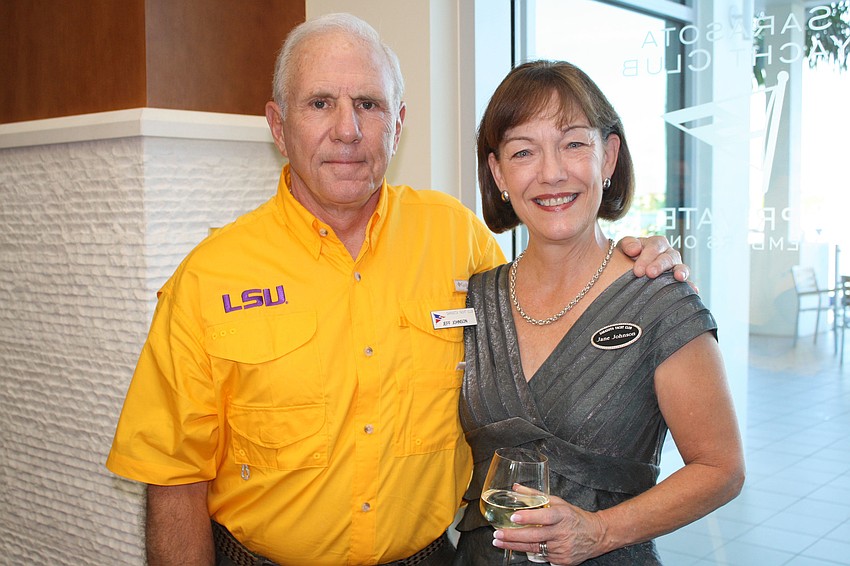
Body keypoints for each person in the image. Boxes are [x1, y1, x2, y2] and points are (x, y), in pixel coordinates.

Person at [106, 14, 690, 566]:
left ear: (399, 122)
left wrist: (629, 262)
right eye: (320, 104)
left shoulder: (456, 237)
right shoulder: (211, 276)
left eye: (369, 104)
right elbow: (173, 478)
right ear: (279, 127)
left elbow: (550, 305)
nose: (348, 130)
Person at [453, 60, 745, 565]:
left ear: (608, 156)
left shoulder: (659, 297)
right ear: (498, 171)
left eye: (573, 143)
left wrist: (600, 530)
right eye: (524, 151)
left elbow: (721, 468)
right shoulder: (475, 299)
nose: (552, 172)